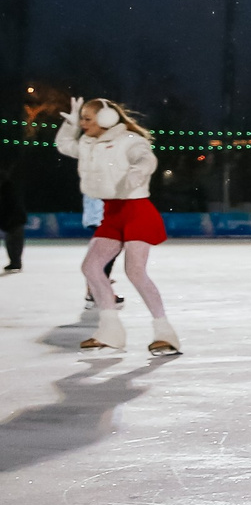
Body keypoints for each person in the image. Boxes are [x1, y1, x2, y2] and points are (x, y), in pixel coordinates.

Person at [55, 96, 179, 354]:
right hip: (112, 212)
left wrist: (138, 171)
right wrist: (69, 125)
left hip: (136, 210)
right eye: (82, 119)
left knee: (135, 271)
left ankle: (164, 332)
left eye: (88, 119)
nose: (83, 123)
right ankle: (110, 330)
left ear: (106, 119)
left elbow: (146, 158)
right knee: (90, 267)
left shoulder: (130, 141)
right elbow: (65, 145)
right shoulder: (89, 143)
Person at [1, 157, 26, 274]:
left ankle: (15, 262)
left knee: (14, 242)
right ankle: (15, 262)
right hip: (13, 219)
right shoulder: (9, 188)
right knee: (12, 242)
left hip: (14, 220)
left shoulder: (7, 189)